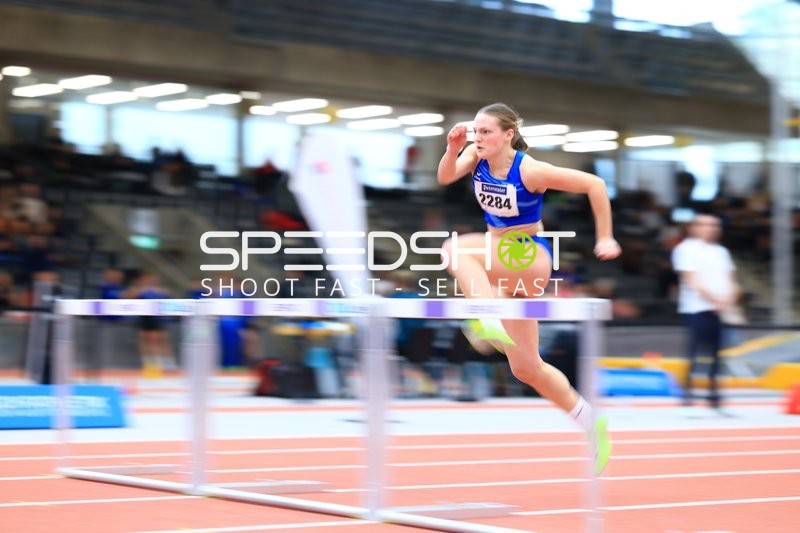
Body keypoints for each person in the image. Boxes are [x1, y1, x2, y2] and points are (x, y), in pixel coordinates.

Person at [437, 102, 621, 474]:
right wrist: (452, 149)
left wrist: (605, 238)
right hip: (501, 265)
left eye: (486, 131)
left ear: (508, 135)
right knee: (526, 368)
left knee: (453, 250)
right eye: (475, 131)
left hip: (528, 258)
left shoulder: (531, 170)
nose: (478, 137)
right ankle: (592, 425)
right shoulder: (475, 155)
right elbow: (445, 176)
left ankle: (485, 317)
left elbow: (595, 185)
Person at [671, 214, 740, 416]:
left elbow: (731, 279)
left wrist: (730, 299)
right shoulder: (685, 249)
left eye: (715, 225)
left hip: (720, 309)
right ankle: (688, 398)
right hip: (696, 309)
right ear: (695, 227)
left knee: (717, 355)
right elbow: (692, 279)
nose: (712, 228)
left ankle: (714, 398)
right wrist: (715, 299)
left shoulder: (721, 251)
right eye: (707, 224)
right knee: (695, 353)